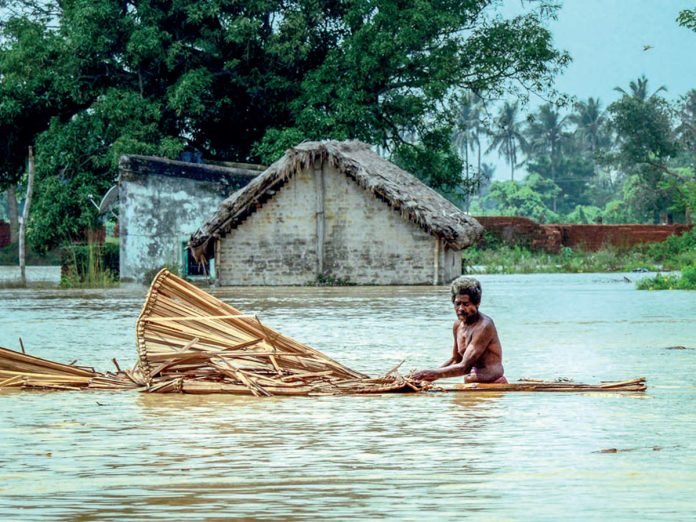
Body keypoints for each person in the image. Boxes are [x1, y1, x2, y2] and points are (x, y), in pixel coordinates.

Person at [412, 276, 507, 384]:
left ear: (477, 303)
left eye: (466, 304)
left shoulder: (484, 326)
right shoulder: (458, 326)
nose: (460, 309)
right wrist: (427, 378)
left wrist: (429, 373)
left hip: (493, 383)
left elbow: (464, 367)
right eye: (457, 304)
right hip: (473, 383)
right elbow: (455, 360)